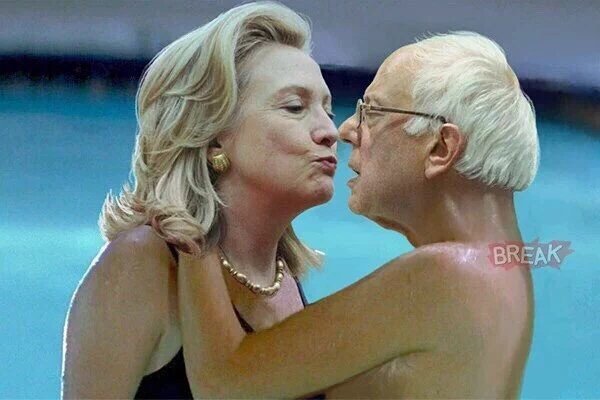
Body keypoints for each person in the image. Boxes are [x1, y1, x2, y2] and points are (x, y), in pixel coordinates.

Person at [176, 31, 539, 398]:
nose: (345, 130)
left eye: (372, 112)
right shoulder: (505, 274)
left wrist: (190, 212)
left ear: (441, 148)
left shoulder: (449, 274)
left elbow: (223, 383)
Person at [60, 2, 338, 398]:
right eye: (295, 107)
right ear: (214, 135)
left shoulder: (283, 279)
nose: (329, 131)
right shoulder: (143, 263)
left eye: (328, 110)